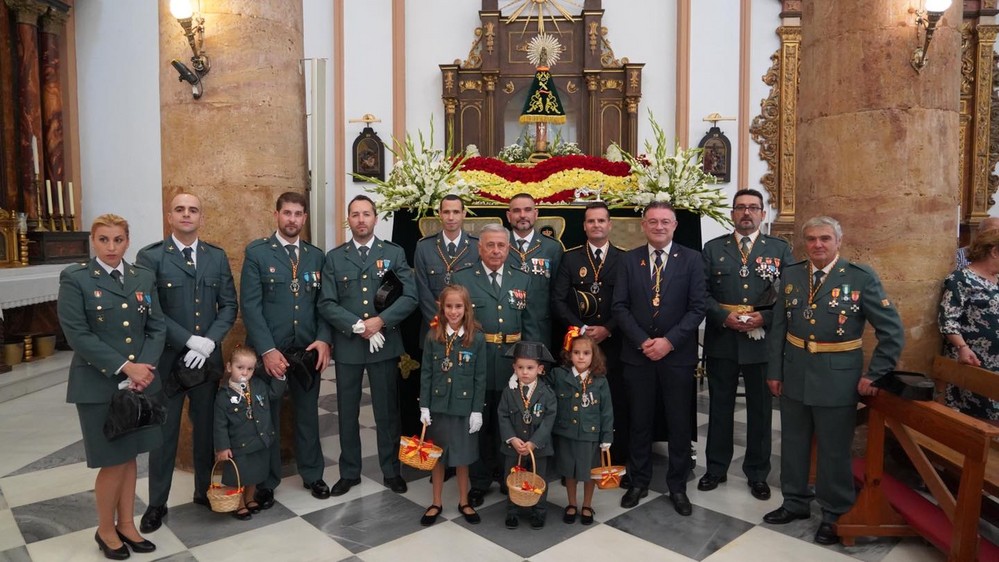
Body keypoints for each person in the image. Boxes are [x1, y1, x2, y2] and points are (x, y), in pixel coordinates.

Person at [764, 216, 903, 545]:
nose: (818, 245)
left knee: (834, 449)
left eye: (825, 238)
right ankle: (795, 501)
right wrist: (774, 371)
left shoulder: (859, 277)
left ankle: (835, 511)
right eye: (811, 239)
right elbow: (779, 328)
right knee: (793, 443)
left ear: (838, 241)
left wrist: (875, 373)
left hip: (838, 378)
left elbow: (892, 331)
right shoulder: (792, 274)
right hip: (795, 372)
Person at [59, 214, 165, 559]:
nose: (111, 247)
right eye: (103, 239)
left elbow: (156, 327)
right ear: (93, 241)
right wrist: (126, 367)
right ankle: (105, 529)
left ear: (127, 241)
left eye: (118, 239)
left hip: (139, 384)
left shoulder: (142, 277)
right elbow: (77, 334)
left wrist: (143, 369)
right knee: (112, 460)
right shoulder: (76, 278)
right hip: (98, 385)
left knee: (130, 457)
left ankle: (127, 524)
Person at [137, 193, 238, 533]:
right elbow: (151, 309)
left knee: (206, 429)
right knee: (163, 434)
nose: (186, 214)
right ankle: (156, 503)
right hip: (168, 361)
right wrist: (188, 340)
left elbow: (229, 305)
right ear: (170, 216)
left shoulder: (215, 257)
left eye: (193, 210)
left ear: (201, 218)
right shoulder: (151, 257)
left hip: (206, 361)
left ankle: (204, 490)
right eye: (179, 209)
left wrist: (209, 341)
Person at [318, 194, 418, 496]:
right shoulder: (335, 257)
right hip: (349, 345)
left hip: (384, 344)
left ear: (375, 218)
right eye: (355, 214)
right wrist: (358, 325)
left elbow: (410, 296)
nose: (361, 220)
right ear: (348, 220)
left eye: (366, 214)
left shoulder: (393, 253)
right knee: (347, 412)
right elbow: (326, 302)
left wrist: (380, 321)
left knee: (386, 412)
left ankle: (391, 470)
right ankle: (350, 472)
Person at [611, 201, 706, 516]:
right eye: (653, 221)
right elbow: (619, 306)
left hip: (677, 357)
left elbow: (697, 308)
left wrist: (668, 342)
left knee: (679, 423)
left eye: (665, 221)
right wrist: (643, 341)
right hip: (638, 356)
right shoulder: (629, 260)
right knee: (639, 422)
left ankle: (677, 486)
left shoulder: (692, 259)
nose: (659, 226)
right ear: (644, 225)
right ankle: (638, 481)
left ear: (675, 225)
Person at [699, 189, 792, 500]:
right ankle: (716, 468)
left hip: (761, 343)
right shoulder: (713, 249)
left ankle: (757, 473)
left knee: (761, 411)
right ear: (732, 214)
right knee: (719, 407)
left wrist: (765, 317)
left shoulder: (779, 249)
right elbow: (701, 293)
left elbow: (790, 295)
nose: (746, 213)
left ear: (763, 214)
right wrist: (722, 316)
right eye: (740, 207)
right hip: (723, 339)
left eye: (753, 207)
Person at [241, 191, 332, 506]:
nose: (292, 219)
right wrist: (267, 350)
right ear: (276, 215)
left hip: (307, 351)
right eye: (287, 213)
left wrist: (324, 339)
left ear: (304, 218)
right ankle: (267, 482)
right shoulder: (258, 253)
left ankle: (313, 474)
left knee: (308, 415)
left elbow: (324, 304)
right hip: (271, 353)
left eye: (298, 214)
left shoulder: (316, 256)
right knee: (268, 417)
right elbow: (250, 307)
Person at [452, 223, 541, 506]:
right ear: (479, 248)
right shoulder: (463, 278)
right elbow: (455, 325)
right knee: (478, 423)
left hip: (510, 365)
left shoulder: (522, 278)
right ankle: (479, 481)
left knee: (510, 422)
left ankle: (507, 476)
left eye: (501, 245)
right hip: (476, 363)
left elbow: (531, 324)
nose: (495, 250)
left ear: (509, 248)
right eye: (489, 245)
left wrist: (531, 363)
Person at [551, 201, 628, 467]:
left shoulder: (624, 258)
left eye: (601, 220)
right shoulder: (570, 258)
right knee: (575, 399)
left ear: (610, 225)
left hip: (612, 342)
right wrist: (582, 330)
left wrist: (608, 328)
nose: (596, 225)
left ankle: (612, 457)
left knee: (611, 398)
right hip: (578, 345)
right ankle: (573, 462)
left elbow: (629, 301)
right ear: (584, 226)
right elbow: (558, 300)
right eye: (591, 221)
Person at [417, 285, 487, 526]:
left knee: (462, 458)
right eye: (449, 306)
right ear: (442, 308)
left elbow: (480, 377)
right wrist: (424, 406)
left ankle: (464, 501)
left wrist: (477, 410)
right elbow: (426, 373)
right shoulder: (433, 336)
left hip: (463, 409)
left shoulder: (476, 338)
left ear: (467, 308)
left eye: (458, 306)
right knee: (437, 458)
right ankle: (436, 502)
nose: (454, 311)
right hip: (438, 407)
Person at [213, 346, 286, 520]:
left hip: (259, 440)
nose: (245, 372)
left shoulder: (258, 385)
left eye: (250, 369)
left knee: (255, 472)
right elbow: (219, 424)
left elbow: (274, 394)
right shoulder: (224, 395)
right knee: (239, 476)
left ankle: (250, 498)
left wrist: (280, 376)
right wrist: (222, 447)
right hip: (238, 445)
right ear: (229, 367)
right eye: (240, 367)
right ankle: (238, 503)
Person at [552, 333, 613, 526]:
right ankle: (571, 503)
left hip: (590, 434)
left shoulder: (600, 380)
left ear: (593, 356)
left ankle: (587, 505)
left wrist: (607, 437)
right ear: (569, 355)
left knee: (589, 472)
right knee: (569, 471)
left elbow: (606, 411)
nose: (581, 357)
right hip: (566, 432)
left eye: (586, 353)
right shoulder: (559, 375)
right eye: (576, 352)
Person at [940, 228, 999, 421]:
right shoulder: (961, 279)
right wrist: (962, 348)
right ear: (994, 251)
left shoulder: (997, 279)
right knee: (980, 417)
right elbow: (948, 319)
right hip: (975, 360)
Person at [498, 341, 558, 530]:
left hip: (538, 447)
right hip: (514, 446)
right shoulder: (509, 392)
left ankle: (539, 511)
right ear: (514, 368)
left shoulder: (547, 393)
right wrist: (512, 438)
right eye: (520, 367)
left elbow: (549, 420)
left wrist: (534, 442)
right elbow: (503, 415)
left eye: (530, 368)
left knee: (538, 478)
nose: (525, 372)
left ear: (540, 369)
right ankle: (512, 511)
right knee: (513, 478)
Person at [414, 194, 479, 342]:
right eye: (446, 212)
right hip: (434, 327)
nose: (451, 217)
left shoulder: (476, 246)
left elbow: (478, 288)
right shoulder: (424, 247)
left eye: (456, 212)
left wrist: (463, 322)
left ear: (464, 214)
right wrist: (439, 322)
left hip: (467, 329)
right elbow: (422, 290)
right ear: (439, 214)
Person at [506, 193, 564, 349]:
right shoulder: (500, 245)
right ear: (508, 216)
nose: (522, 215)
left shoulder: (552, 248)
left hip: (540, 329)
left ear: (536, 214)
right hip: (506, 327)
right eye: (517, 211)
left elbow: (557, 292)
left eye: (527, 210)